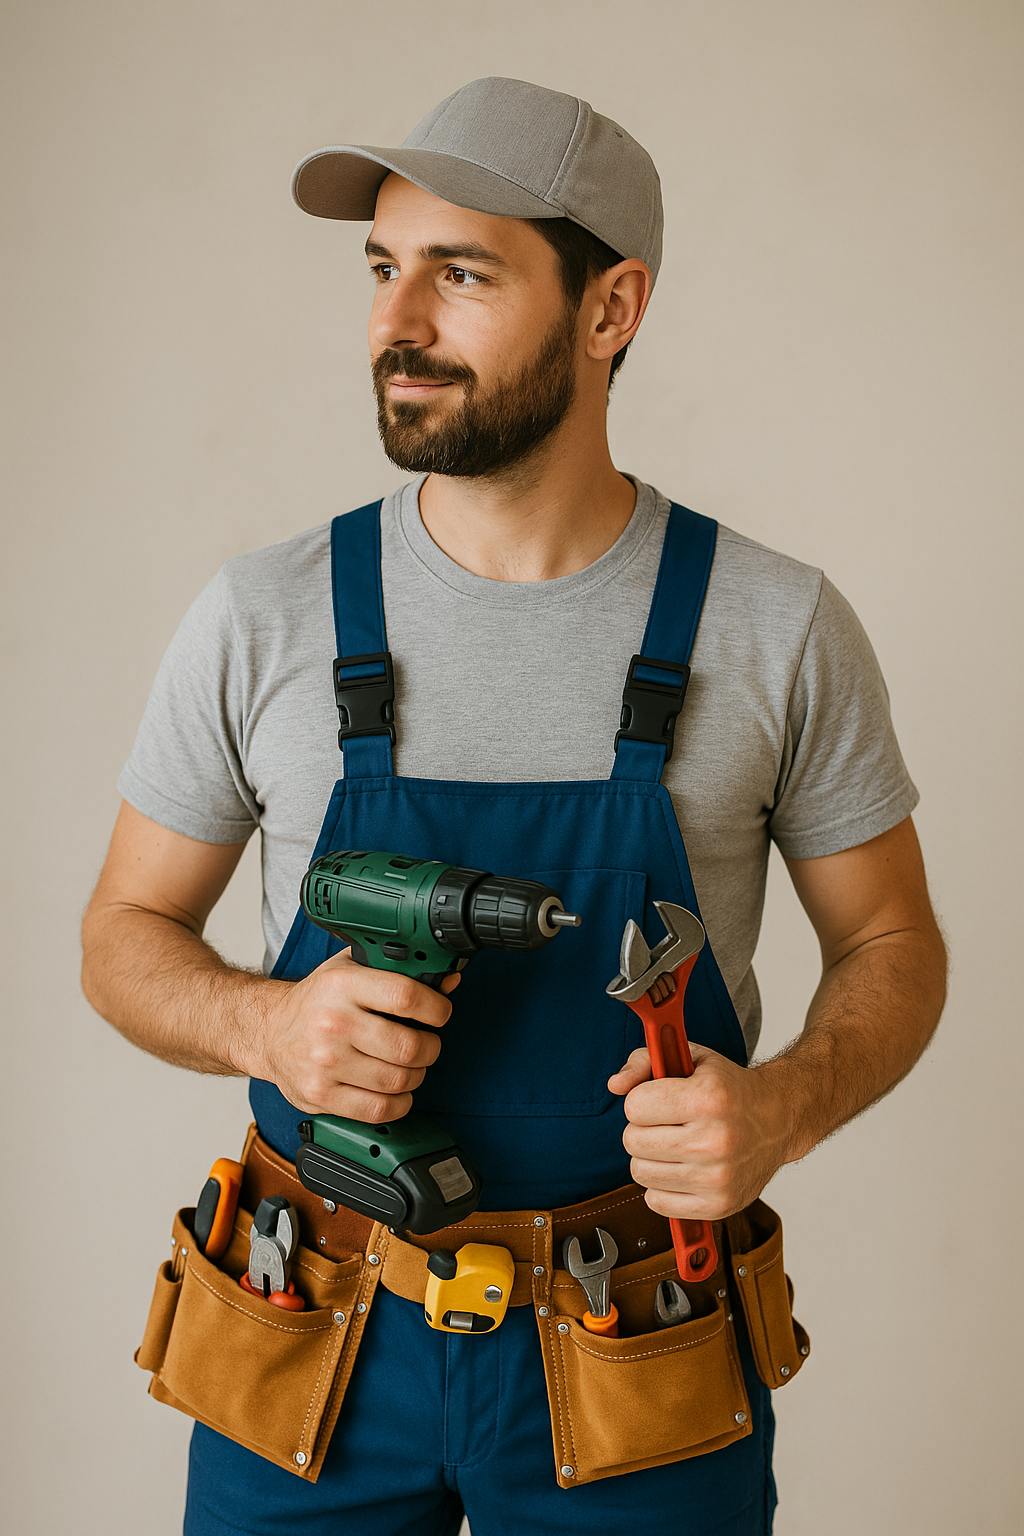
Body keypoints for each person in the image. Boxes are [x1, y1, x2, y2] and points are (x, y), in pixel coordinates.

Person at [81, 76, 946, 1536]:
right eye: (382, 267)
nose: (396, 320)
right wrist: (264, 1025)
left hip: (637, 1347)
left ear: (612, 310)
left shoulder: (773, 626)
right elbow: (121, 932)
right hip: (314, 1339)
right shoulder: (265, 615)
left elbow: (897, 948)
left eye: (460, 272)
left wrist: (778, 1110)